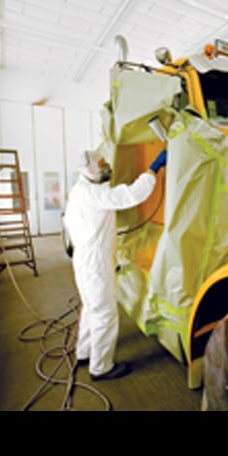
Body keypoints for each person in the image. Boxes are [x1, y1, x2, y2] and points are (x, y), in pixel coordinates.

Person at [63, 148, 167, 380]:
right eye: (101, 164)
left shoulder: (80, 190)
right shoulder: (94, 194)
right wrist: (153, 169)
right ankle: (101, 368)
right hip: (95, 262)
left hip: (85, 259)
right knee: (105, 314)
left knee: (91, 307)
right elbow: (131, 195)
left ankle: (84, 352)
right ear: (88, 170)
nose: (106, 166)